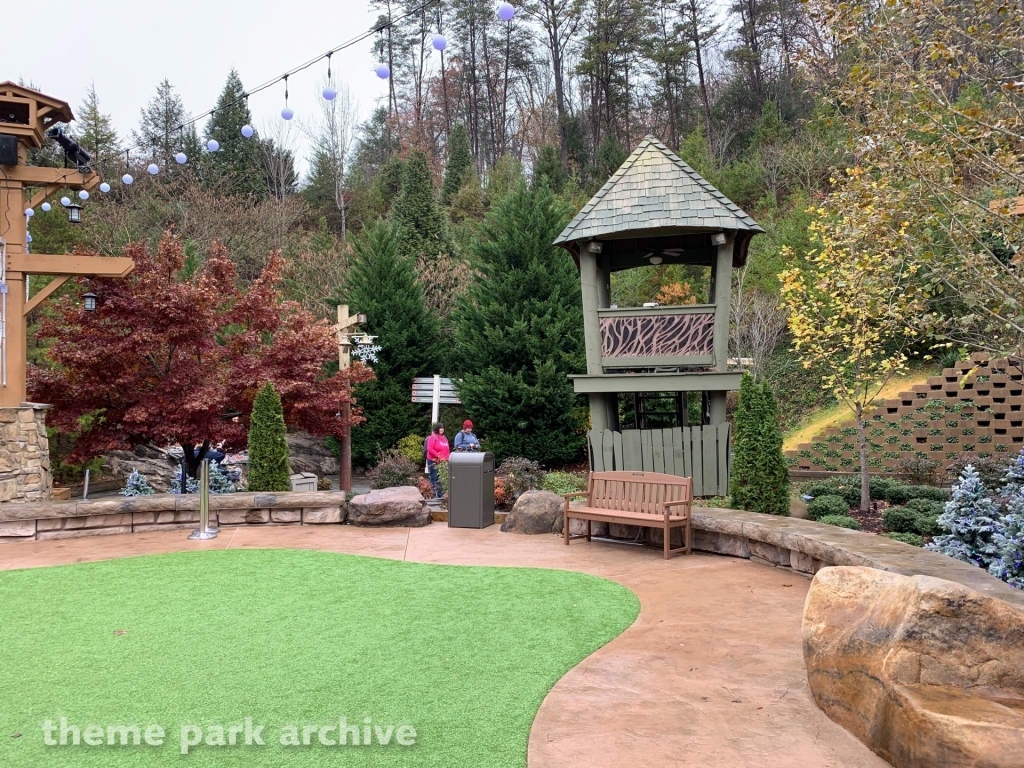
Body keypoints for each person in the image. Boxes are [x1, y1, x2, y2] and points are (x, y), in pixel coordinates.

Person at [425, 422, 450, 499]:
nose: (442, 429)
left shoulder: (444, 438)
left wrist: (448, 458)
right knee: (434, 478)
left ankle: (440, 496)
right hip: (433, 461)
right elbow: (429, 448)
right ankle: (434, 496)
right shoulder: (432, 437)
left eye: (443, 428)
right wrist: (438, 456)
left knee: (441, 479)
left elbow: (447, 449)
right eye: (440, 428)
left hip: (443, 462)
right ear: (437, 429)